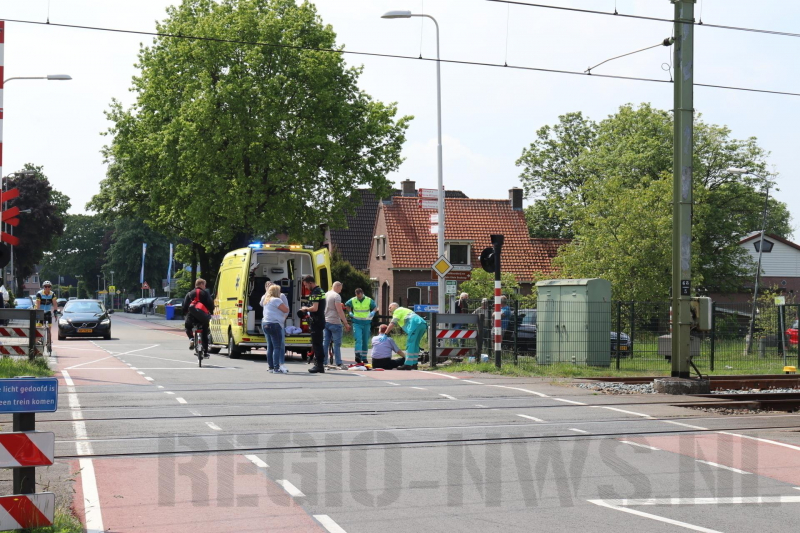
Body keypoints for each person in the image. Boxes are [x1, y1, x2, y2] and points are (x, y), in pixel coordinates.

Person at [385, 303, 427, 370]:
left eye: (390, 307)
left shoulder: (397, 311)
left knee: (410, 344)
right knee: (415, 345)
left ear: (395, 306)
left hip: (415, 324)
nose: (389, 309)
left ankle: (408, 364)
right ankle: (414, 364)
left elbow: (392, 323)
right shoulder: (404, 310)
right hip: (422, 324)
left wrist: (385, 333)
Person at [300, 275, 327, 374]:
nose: (306, 287)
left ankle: (319, 365)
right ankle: (319, 364)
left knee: (317, 344)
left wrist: (305, 309)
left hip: (316, 320)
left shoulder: (316, 292)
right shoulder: (320, 291)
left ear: (311, 283)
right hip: (319, 320)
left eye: (306, 285)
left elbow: (315, 308)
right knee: (317, 343)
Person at [261, 284, 289, 373]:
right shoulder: (277, 300)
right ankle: (276, 368)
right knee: (277, 346)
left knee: (270, 346)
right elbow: (286, 310)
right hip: (275, 324)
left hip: (265, 323)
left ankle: (270, 367)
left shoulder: (266, 300)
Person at [183, 278, 214, 357]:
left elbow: (184, 306)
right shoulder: (205, 293)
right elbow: (210, 304)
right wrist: (210, 312)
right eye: (204, 285)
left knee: (188, 327)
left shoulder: (189, 294)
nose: (205, 286)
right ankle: (206, 352)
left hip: (191, 316)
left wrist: (185, 314)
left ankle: (191, 339)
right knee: (204, 333)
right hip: (203, 316)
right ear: (201, 284)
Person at [323, 281, 350, 369]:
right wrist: (345, 323)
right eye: (340, 288)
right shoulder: (336, 296)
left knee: (325, 343)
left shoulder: (326, 294)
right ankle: (338, 362)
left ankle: (323, 361)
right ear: (338, 287)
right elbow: (339, 310)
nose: (341, 291)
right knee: (337, 344)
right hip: (335, 322)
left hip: (326, 321)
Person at [344, 288, 376, 364]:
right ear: (356, 294)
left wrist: (373, 312)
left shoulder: (368, 300)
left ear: (362, 293)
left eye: (360, 296)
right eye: (357, 296)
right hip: (357, 323)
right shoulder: (353, 300)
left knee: (365, 340)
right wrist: (350, 312)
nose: (359, 297)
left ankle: (364, 357)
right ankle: (358, 356)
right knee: (358, 339)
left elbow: (375, 307)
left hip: (366, 323)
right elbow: (347, 305)